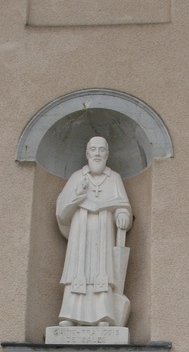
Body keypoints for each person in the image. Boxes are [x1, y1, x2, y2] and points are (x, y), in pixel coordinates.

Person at [55, 136, 132, 327]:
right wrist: (77, 195)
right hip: (79, 236)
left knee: (102, 272)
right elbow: (61, 212)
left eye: (101, 150)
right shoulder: (77, 178)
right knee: (77, 273)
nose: (97, 153)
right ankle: (70, 316)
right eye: (93, 150)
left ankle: (103, 316)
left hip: (103, 236)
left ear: (107, 154)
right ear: (87, 153)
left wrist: (122, 214)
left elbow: (123, 205)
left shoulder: (114, 179)